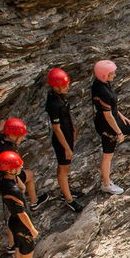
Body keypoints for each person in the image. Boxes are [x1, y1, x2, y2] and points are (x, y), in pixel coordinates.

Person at [91, 59, 130, 195]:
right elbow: (108, 115)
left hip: (107, 120)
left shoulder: (99, 84)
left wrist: (120, 115)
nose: (114, 74)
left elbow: (109, 107)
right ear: (104, 75)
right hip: (109, 125)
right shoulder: (104, 91)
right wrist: (119, 133)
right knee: (108, 155)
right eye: (111, 73)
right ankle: (107, 184)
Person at [0, 151, 45, 258]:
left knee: (19, 253)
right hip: (22, 225)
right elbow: (22, 213)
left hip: (13, 223)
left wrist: (15, 174)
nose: (21, 167)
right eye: (18, 166)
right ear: (11, 169)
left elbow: (23, 188)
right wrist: (32, 229)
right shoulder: (14, 190)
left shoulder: (3, 180)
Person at [0, 117, 40, 251]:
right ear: (12, 135)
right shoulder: (8, 151)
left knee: (11, 211)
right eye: (20, 136)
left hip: (1, 178)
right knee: (13, 212)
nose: (22, 139)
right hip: (10, 179)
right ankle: (34, 202)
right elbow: (15, 172)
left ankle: (12, 244)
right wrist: (20, 185)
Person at [44, 67, 84, 213]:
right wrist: (66, 147)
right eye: (64, 85)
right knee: (63, 168)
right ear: (56, 86)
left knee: (65, 167)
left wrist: (73, 128)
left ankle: (66, 189)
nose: (68, 87)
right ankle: (68, 199)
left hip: (67, 134)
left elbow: (67, 115)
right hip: (61, 140)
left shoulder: (61, 97)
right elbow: (56, 128)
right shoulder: (53, 103)